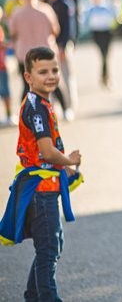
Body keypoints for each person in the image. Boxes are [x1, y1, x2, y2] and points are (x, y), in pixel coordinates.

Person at [11, 47, 82, 301]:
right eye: (42, 72)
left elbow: (48, 154)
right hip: (41, 192)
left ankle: (32, 296)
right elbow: (47, 151)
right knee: (48, 250)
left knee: (51, 247)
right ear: (28, 77)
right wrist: (69, 159)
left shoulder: (41, 103)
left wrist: (66, 167)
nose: (51, 76)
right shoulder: (36, 108)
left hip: (46, 187)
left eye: (54, 70)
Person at [8, 0, 62, 103]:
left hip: (25, 53)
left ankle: (24, 112)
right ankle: (65, 109)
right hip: (45, 52)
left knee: (27, 85)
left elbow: (13, 33)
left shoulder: (17, 13)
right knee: (52, 81)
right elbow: (55, 30)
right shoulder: (46, 10)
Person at [41, 0, 78, 120]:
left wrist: (63, 45)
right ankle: (53, 108)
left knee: (66, 76)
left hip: (63, 44)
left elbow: (69, 27)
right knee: (51, 78)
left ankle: (69, 107)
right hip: (50, 44)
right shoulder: (47, 1)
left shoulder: (65, 2)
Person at [82, 0, 117, 88]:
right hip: (97, 33)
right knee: (103, 55)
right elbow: (84, 21)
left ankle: (105, 76)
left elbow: (115, 15)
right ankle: (105, 76)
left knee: (106, 55)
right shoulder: (90, 9)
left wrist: (116, 5)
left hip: (106, 32)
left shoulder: (106, 6)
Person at [0, 6, 12, 123]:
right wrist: (9, 44)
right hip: (1, 65)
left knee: (5, 92)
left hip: (2, 64)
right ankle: (8, 115)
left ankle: (8, 115)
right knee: (5, 92)